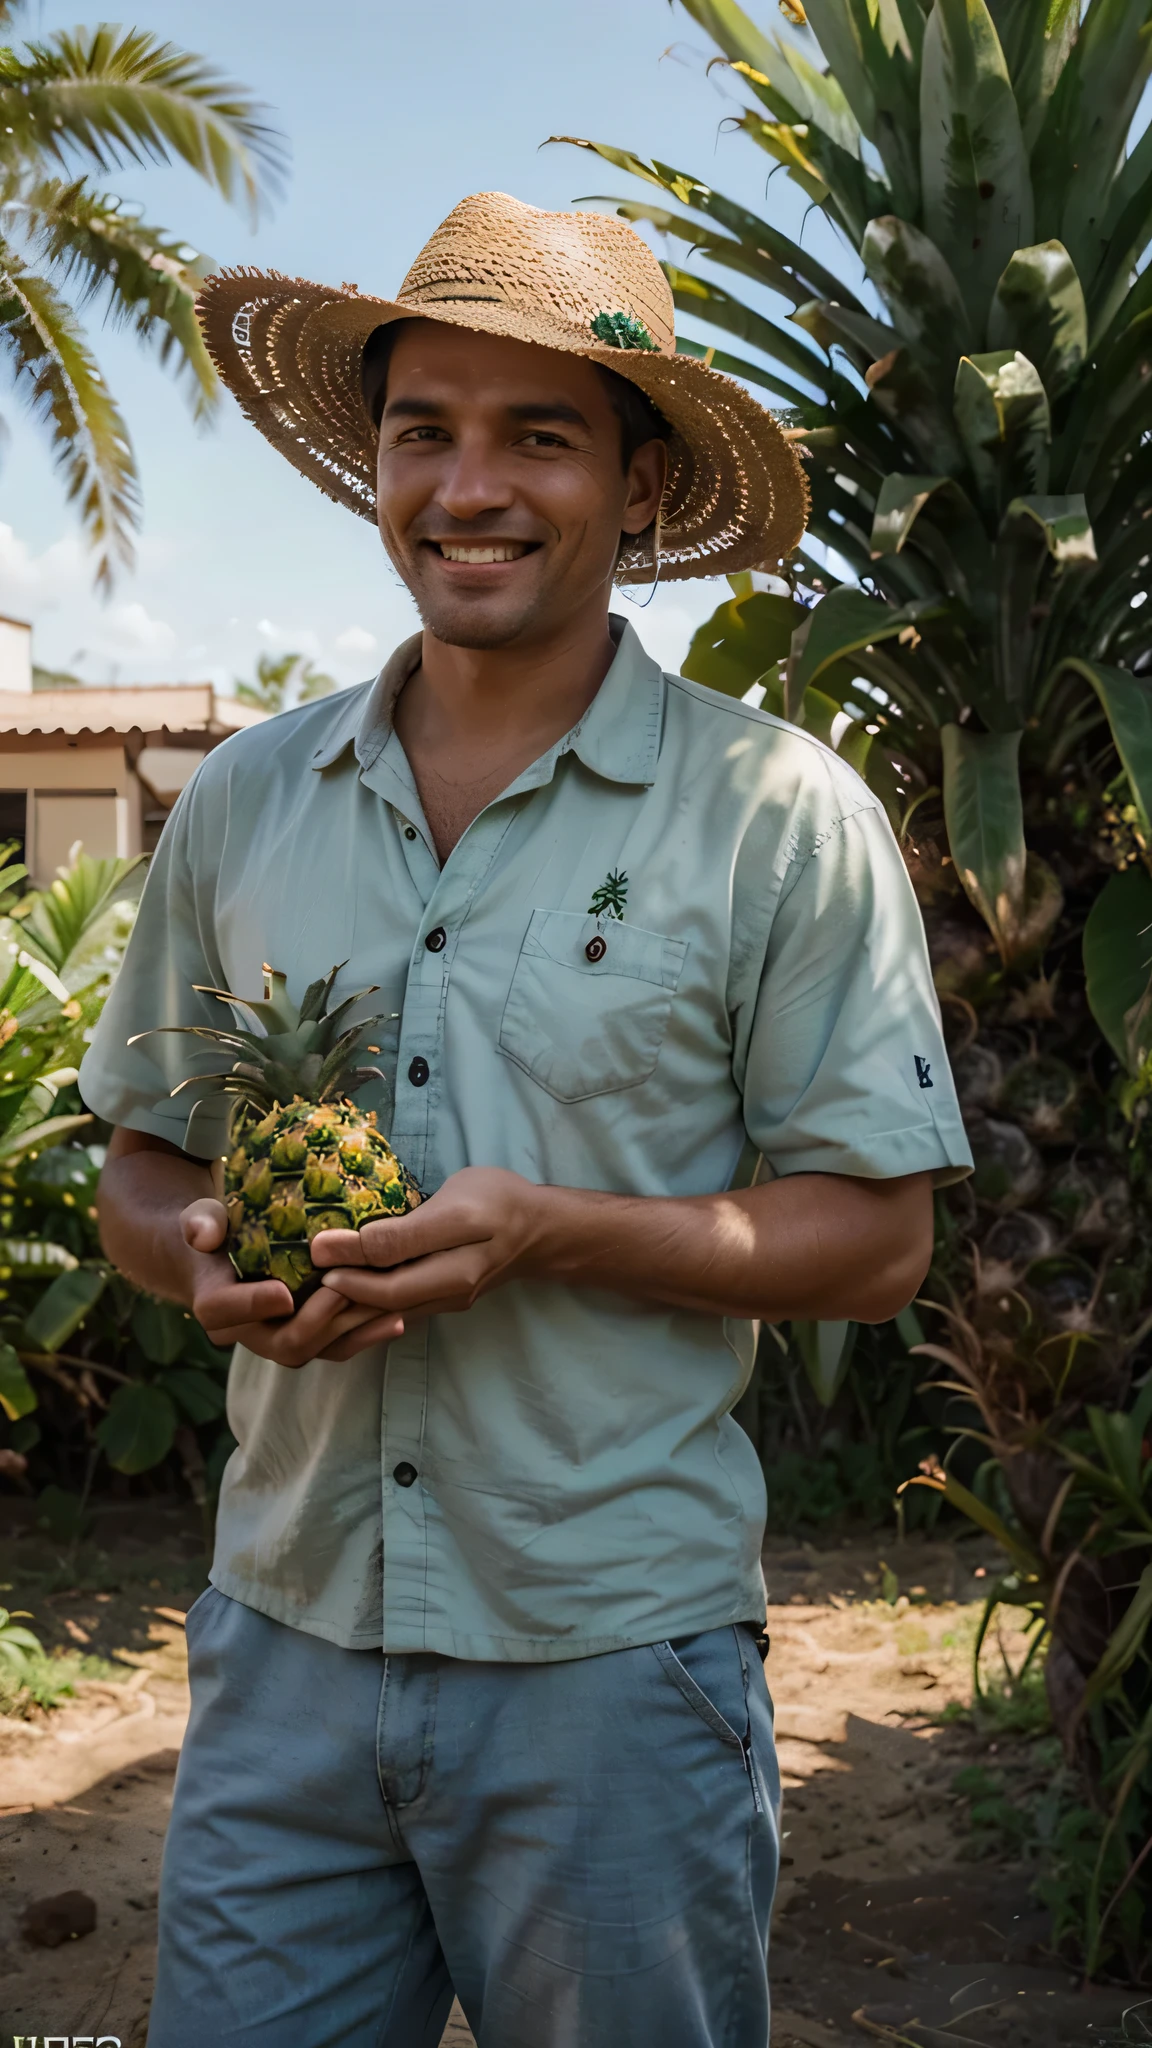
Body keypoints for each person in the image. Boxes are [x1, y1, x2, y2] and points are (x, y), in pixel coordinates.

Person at [82, 192, 972, 2048]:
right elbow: (141, 1160)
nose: (467, 485)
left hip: (616, 1667)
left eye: (538, 436)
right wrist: (198, 1260)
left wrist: (551, 1230)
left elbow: (880, 1241)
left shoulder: (774, 816)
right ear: (375, 466)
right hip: (288, 1640)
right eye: (426, 430)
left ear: (641, 487)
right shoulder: (248, 801)